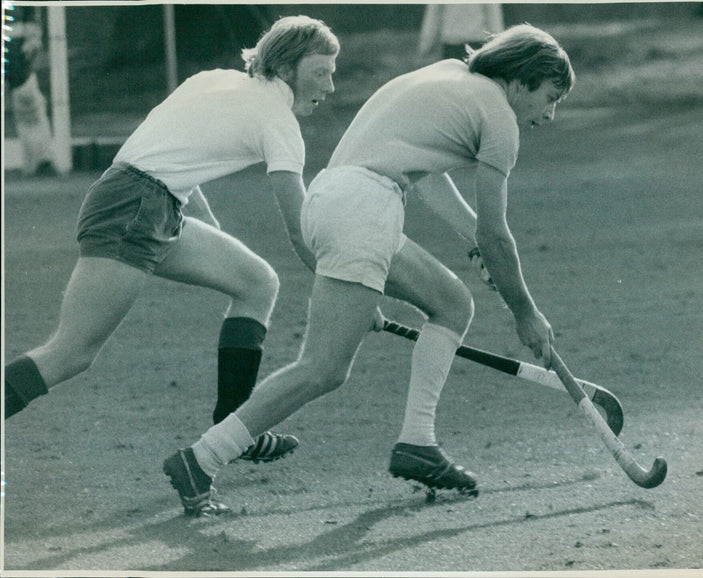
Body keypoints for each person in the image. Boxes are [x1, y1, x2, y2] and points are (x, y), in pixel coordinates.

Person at [163, 23, 575, 515]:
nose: (548, 115)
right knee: (322, 369)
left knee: (451, 303)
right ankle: (201, 458)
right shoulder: (500, 121)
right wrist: (524, 311)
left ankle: (418, 442)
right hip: (365, 210)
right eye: (550, 98)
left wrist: (471, 244)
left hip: (336, 200)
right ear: (523, 79)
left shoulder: (449, 75)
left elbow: (429, 177)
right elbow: (497, 234)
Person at [4, 16, 340, 492]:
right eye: (321, 72)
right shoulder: (278, 121)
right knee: (71, 352)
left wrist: (217, 245)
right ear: (287, 66)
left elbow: (179, 160)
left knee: (255, 281)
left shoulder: (215, 80)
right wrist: (341, 288)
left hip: (143, 201)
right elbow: (298, 224)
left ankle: (232, 429)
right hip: (136, 208)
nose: (330, 85)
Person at [5, 5, 60, 176]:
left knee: (28, 103)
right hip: (17, 54)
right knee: (28, 103)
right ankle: (41, 160)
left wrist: (32, 39)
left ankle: (41, 161)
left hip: (17, 57)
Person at [418, 3, 505, 61]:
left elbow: (433, 17)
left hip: (456, 44)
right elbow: (494, 19)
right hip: (467, 44)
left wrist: (425, 46)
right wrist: (498, 47)